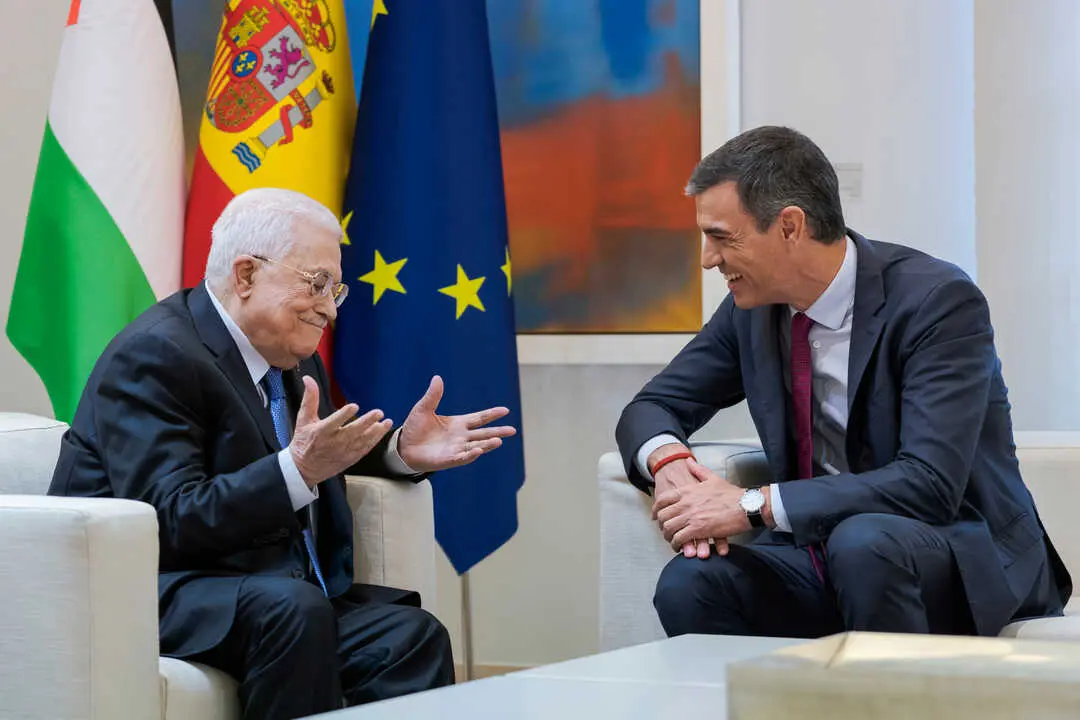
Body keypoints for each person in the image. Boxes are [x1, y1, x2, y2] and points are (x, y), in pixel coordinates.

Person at [49, 188, 517, 719]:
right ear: (246, 275)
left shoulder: (290, 356)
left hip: (264, 589)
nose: (329, 309)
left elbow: (310, 449)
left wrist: (399, 452)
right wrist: (296, 471)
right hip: (154, 587)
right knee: (293, 611)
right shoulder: (157, 356)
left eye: (335, 290)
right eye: (317, 284)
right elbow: (168, 517)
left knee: (408, 635)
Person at [616, 126, 1071, 640]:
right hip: (823, 550)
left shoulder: (936, 303)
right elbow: (653, 405)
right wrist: (670, 464)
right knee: (691, 582)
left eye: (722, 237)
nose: (707, 258)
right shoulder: (754, 311)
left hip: (954, 550)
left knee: (863, 543)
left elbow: (929, 485)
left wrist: (750, 505)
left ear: (790, 226)